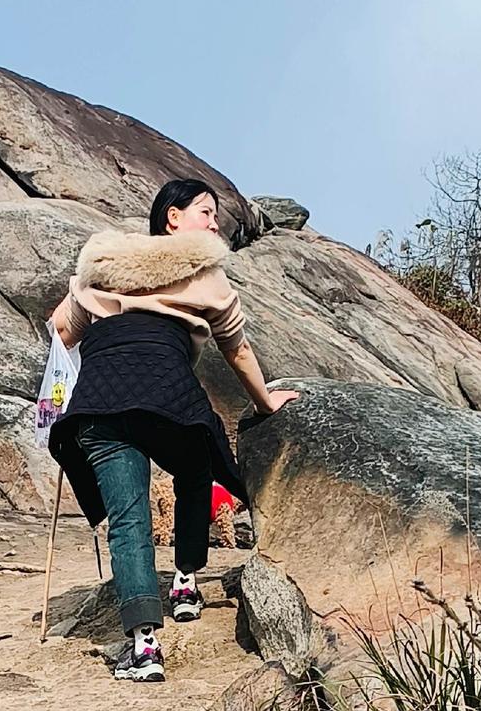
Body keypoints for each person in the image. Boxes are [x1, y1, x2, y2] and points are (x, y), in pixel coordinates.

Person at [48, 180, 298, 681]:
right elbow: (237, 350)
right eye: (205, 212)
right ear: (173, 218)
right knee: (194, 470)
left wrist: (71, 379)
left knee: (129, 519)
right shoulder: (205, 273)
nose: (214, 223)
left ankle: (143, 647)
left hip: (101, 398)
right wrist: (264, 401)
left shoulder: (103, 262)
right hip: (166, 392)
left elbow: (60, 330)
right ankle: (185, 581)